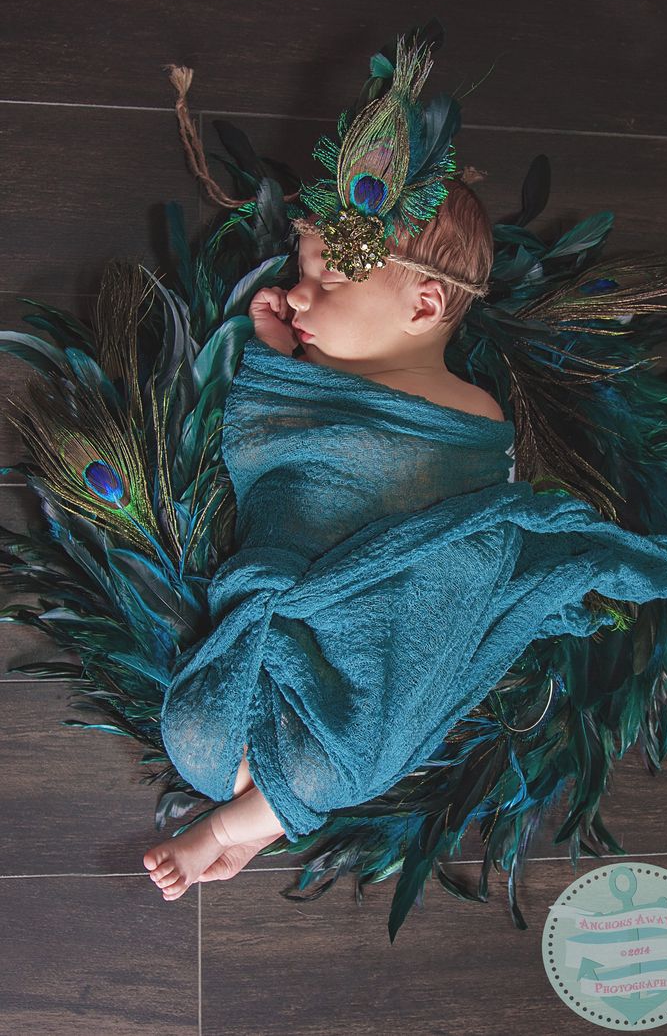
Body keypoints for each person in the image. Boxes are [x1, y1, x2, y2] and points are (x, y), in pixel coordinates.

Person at [144, 179, 514, 899]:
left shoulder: (471, 413)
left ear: (425, 306)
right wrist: (282, 356)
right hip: (292, 587)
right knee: (200, 730)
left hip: (380, 628)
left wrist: (298, 362)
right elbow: (282, 451)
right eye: (304, 270)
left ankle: (229, 829)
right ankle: (256, 818)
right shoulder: (322, 373)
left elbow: (470, 544)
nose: (299, 294)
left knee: (335, 757)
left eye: (328, 278)